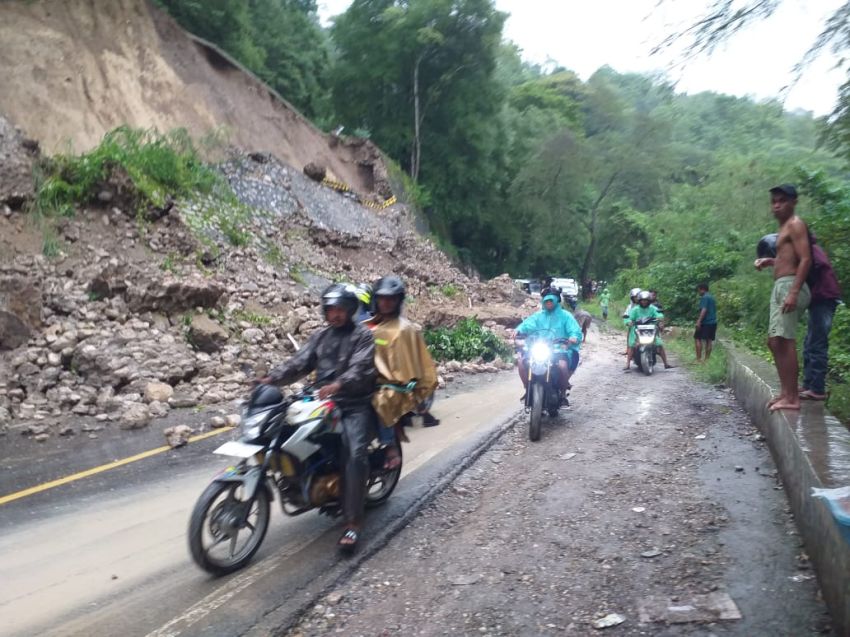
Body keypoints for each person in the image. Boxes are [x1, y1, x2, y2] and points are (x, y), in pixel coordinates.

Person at [260, 284, 376, 551]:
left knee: (355, 453)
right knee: (282, 430)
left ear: (350, 310)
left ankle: (353, 524)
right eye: (331, 309)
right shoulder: (321, 337)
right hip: (320, 400)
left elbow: (360, 368)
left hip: (353, 403)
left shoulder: (363, 336)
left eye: (340, 309)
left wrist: (339, 384)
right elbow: (298, 363)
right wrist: (270, 380)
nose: (335, 314)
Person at [364, 276, 439, 471]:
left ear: (398, 301)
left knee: (382, 399)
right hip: (364, 379)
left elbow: (408, 365)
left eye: (391, 299)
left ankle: (390, 447)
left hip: (392, 385)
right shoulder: (368, 326)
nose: (386, 302)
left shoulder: (405, 329)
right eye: (382, 298)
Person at [754, 184, 812, 411]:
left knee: (784, 341)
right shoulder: (784, 228)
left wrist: (794, 291)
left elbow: (805, 259)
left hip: (791, 285)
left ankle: (792, 398)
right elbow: (789, 258)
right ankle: (787, 392)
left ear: (794, 202)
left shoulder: (796, 225)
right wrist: (769, 261)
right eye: (774, 201)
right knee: (774, 341)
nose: (777, 205)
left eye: (782, 200)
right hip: (781, 285)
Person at [515, 290, 582, 401]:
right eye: (546, 301)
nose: (548, 303)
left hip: (559, 349)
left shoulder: (566, 316)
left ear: (557, 301)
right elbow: (526, 325)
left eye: (551, 300)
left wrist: (573, 337)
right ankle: (527, 388)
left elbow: (575, 330)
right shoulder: (538, 316)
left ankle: (562, 393)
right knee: (522, 363)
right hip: (539, 347)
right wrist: (518, 330)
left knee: (562, 366)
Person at [801, 232, 843, 400]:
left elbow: (814, 266)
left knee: (817, 342)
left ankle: (817, 389)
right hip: (818, 299)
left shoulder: (811, 252)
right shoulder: (810, 250)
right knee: (809, 342)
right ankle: (808, 384)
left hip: (824, 298)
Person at [624, 290, 674, 371]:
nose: (644, 302)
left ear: (649, 301)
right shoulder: (635, 309)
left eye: (646, 300)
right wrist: (628, 322)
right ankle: (627, 364)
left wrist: (659, 318)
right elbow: (629, 318)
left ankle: (666, 363)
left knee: (659, 344)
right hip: (638, 329)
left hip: (651, 329)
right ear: (639, 301)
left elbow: (659, 314)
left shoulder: (653, 308)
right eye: (642, 300)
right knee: (632, 344)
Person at [694, 282, 718, 362]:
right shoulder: (712, 298)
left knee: (697, 338)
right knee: (709, 340)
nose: (698, 292)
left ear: (702, 289)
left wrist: (699, 321)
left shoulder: (704, 297)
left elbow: (704, 310)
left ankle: (698, 359)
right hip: (713, 322)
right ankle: (706, 360)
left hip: (706, 322)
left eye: (699, 290)